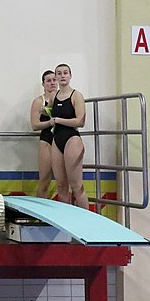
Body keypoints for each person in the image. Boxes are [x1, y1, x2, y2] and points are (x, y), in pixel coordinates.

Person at [47, 63, 89, 209]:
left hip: (72, 139)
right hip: (57, 139)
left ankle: (86, 224)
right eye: (59, 73)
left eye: (65, 73)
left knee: (76, 185)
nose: (62, 76)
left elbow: (80, 121)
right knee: (60, 185)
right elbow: (49, 110)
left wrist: (58, 120)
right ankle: (66, 224)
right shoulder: (54, 96)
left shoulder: (76, 95)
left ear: (70, 76)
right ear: (56, 77)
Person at [29, 70, 58, 199]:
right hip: (47, 139)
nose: (52, 83)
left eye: (54, 80)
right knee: (44, 182)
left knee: (64, 183)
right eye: (49, 81)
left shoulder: (66, 98)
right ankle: (41, 217)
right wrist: (50, 123)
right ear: (43, 84)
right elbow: (35, 125)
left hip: (62, 140)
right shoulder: (39, 101)